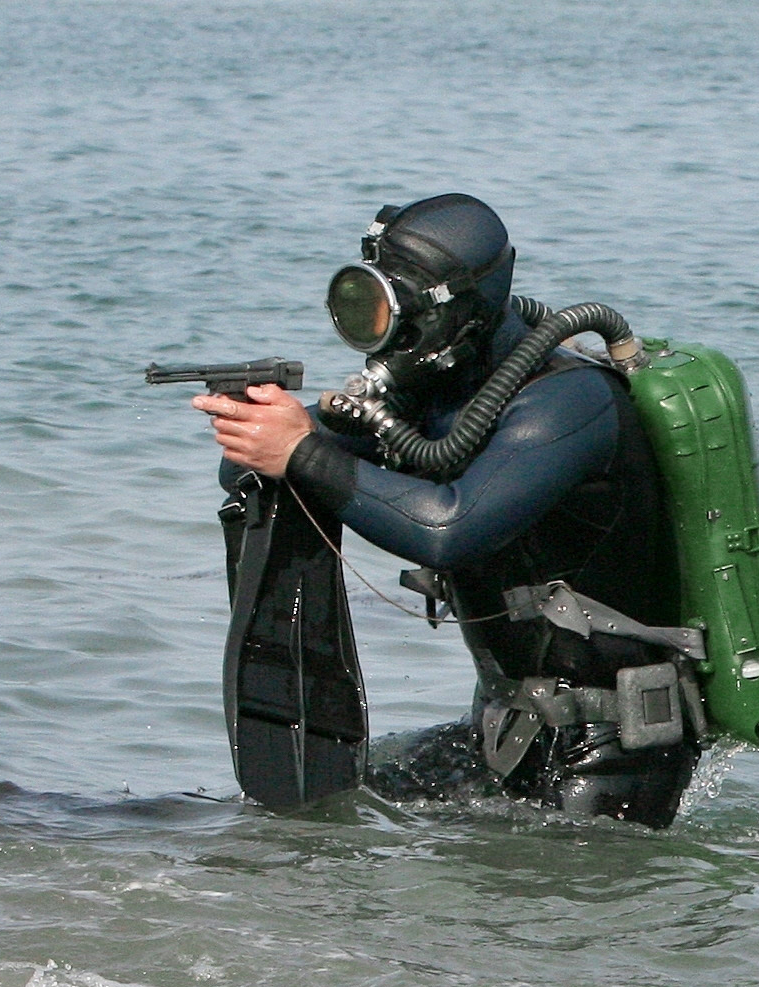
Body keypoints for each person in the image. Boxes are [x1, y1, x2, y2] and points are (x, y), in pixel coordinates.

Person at [193, 194, 701, 827]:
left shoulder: (566, 404)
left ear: (456, 312)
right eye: (368, 314)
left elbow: (447, 530)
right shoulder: (432, 393)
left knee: (535, 924)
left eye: (392, 313)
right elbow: (255, 470)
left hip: (613, 753)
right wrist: (260, 433)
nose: (385, 338)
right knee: (320, 814)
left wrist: (298, 450)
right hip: (506, 729)